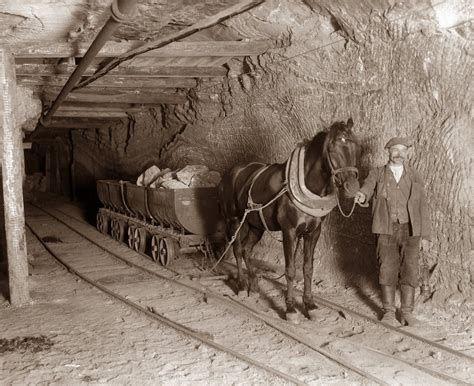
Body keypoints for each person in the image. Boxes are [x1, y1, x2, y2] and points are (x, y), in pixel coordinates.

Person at [355, 137, 431, 327]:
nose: (399, 154)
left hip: (411, 230)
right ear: (388, 151)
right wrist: (362, 194)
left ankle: (407, 312)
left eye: (403, 150)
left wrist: (426, 236)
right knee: (387, 267)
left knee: (410, 269)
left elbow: (422, 207)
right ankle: (388, 311)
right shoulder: (377, 173)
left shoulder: (415, 176)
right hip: (385, 229)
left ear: (407, 153)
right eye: (395, 150)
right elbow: (367, 187)